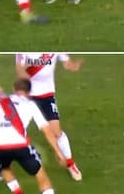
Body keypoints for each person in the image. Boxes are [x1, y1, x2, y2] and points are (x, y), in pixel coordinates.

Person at [15, 53, 83, 181]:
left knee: (57, 132)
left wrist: (72, 65)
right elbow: (19, 69)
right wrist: (25, 76)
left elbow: (67, 62)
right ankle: (1, 162)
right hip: (28, 97)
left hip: (47, 96)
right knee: (14, 129)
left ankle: (70, 163)